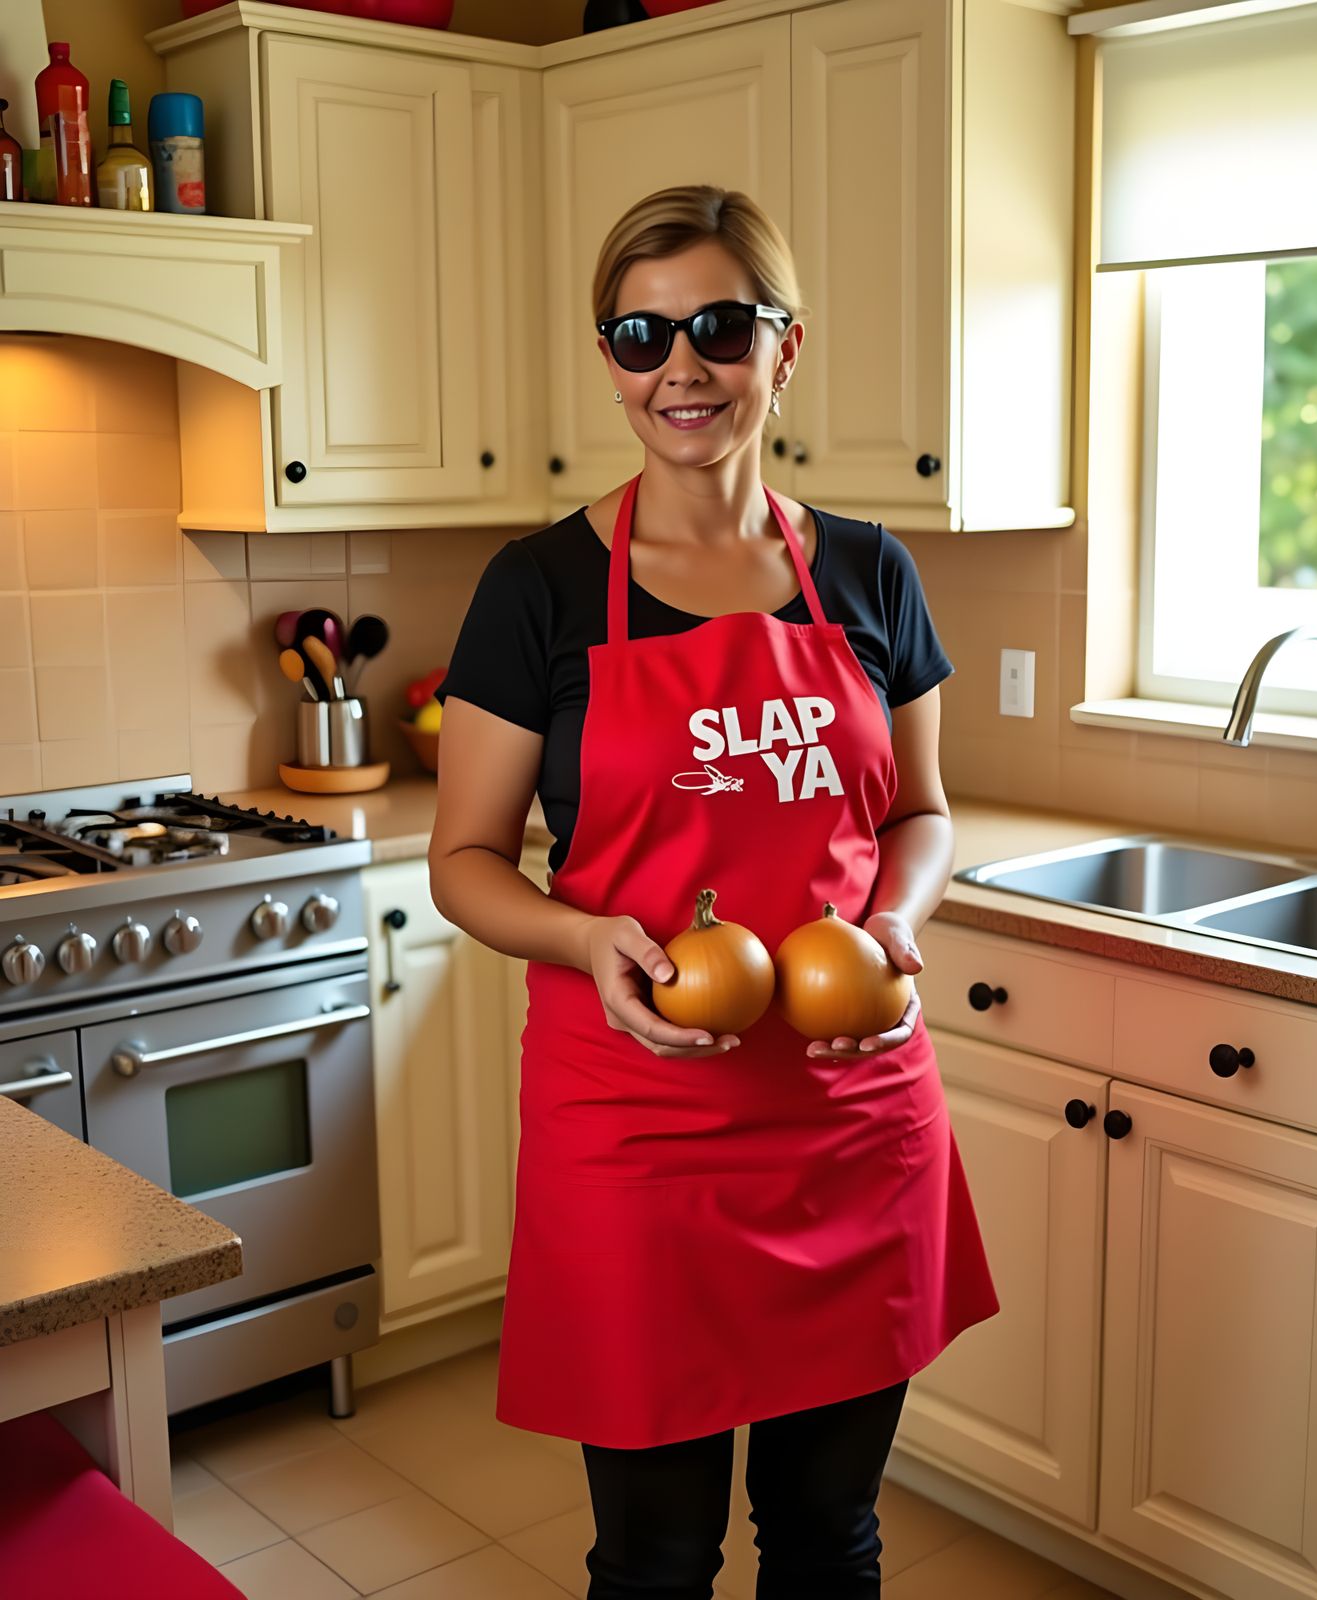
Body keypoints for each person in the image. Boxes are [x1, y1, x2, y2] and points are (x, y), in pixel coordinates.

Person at [429, 183, 1000, 1600]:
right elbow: (464, 861)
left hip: (850, 1110)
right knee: (656, 1557)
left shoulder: (872, 571)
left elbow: (921, 815)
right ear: (611, 360)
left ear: (782, 348)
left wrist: (893, 927)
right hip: (635, 1125)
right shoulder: (541, 588)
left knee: (829, 1543)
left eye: (718, 326)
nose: (679, 366)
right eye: (640, 334)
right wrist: (584, 938)